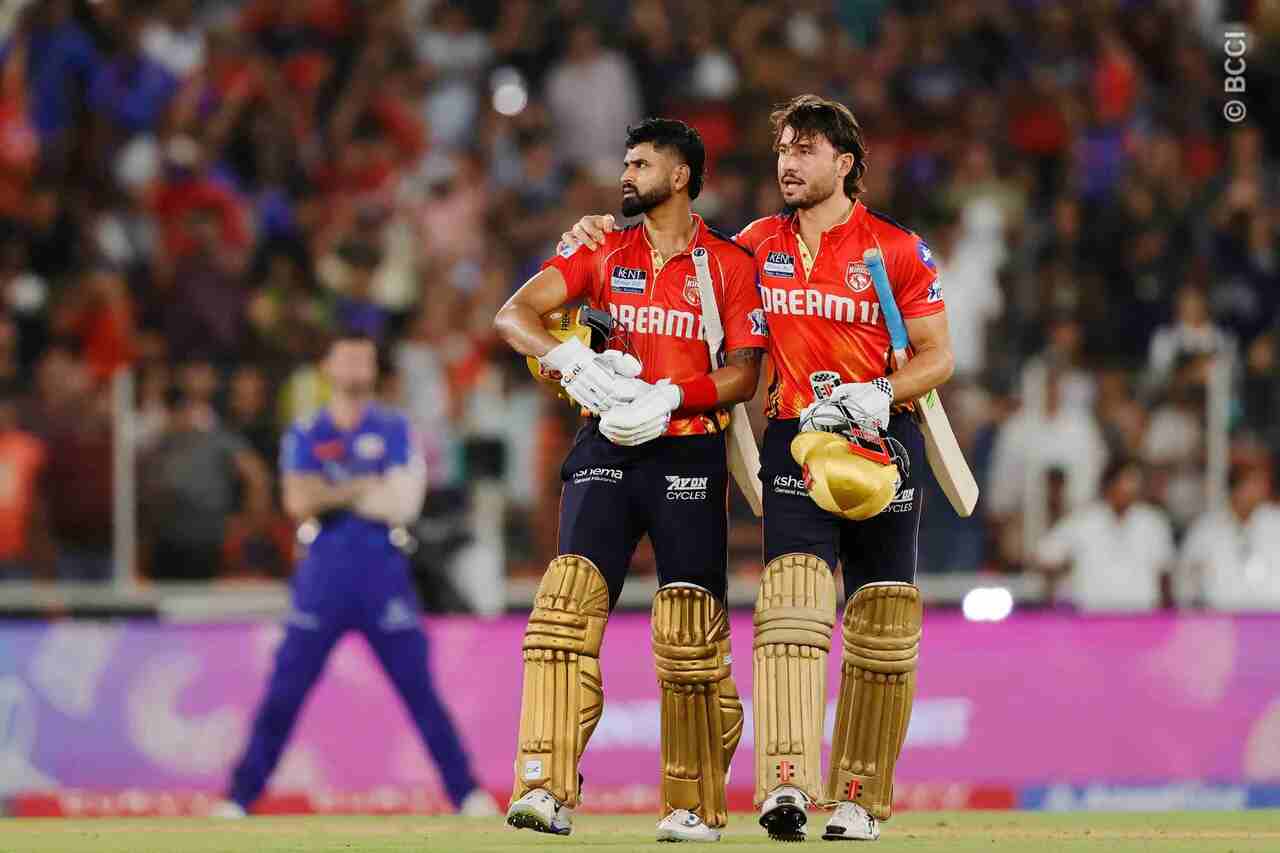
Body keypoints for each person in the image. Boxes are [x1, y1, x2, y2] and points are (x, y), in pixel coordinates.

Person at [563, 94, 956, 842]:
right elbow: (671, 253)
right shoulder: (751, 245)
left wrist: (882, 391)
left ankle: (859, 800)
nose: (788, 162)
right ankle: (784, 784)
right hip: (795, 438)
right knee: (791, 606)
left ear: (844, 163)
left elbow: (939, 355)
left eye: (806, 149)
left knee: (880, 628)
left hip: (882, 440)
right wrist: (593, 233)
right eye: (783, 148)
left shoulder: (895, 250)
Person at [494, 118, 766, 842]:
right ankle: (544, 786)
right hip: (607, 443)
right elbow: (514, 316)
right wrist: (571, 363)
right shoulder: (601, 247)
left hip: (689, 452)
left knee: (689, 632)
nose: (625, 173)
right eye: (624, 161)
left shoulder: (728, 265)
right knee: (563, 608)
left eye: (640, 163)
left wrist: (674, 395)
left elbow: (745, 372)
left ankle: (694, 802)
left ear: (680, 176)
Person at [213, 334, 496, 818]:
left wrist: (331, 487)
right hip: (323, 576)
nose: (356, 364)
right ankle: (239, 797)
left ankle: (466, 792)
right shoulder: (307, 430)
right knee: (285, 692)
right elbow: (297, 501)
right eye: (346, 355)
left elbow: (403, 504)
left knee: (420, 692)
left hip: (382, 574)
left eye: (365, 357)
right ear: (326, 365)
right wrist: (365, 485)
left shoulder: (395, 429)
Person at [1035, 457, 1175, 611]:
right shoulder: (1084, 520)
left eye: (1135, 482)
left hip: (1142, 616)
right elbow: (1044, 556)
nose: (1131, 488)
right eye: (1126, 481)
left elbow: (1165, 573)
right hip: (1093, 616)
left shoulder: (1152, 522)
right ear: (1109, 484)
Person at [1178, 463, 1280, 610]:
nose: (1261, 490)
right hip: (1221, 619)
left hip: (1271, 619)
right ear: (1236, 489)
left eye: (1263, 484)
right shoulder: (1205, 529)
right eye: (1253, 483)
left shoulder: (1276, 521)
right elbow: (1186, 580)